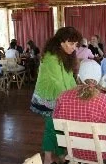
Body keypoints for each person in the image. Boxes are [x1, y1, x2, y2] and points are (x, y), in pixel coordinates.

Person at [53, 59, 106, 162]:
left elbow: (56, 121)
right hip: (99, 152)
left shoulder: (63, 97)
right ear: (98, 77)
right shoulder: (101, 99)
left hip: (74, 149)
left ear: (79, 76)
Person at [30, 26, 82, 164]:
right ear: (61, 42)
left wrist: (78, 91)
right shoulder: (50, 57)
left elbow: (69, 78)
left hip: (60, 97)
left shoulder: (66, 56)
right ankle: (48, 158)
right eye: (71, 43)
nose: (74, 47)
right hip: (47, 98)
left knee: (57, 126)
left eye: (76, 44)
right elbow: (58, 82)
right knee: (52, 127)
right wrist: (73, 98)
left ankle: (58, 156)